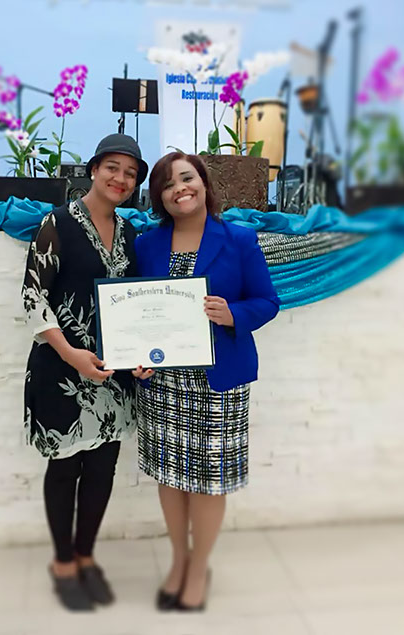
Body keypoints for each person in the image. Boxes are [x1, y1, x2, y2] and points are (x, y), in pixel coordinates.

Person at [135, 152, 280, 611]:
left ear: (203, 182)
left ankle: (199, 568)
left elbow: (267, 301)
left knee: (209, 480)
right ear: (159, 197)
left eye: (187, 178)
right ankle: (179, 560)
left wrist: (233, 313)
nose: (179, 188)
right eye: (167, 184)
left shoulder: (239, 239)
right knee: (171, 475)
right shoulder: (146, 244)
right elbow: (138, 311)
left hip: (219, 381)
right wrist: (135, 355)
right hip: (163, 383)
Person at [21, 134, 151, 611]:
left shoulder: (131, 234)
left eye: (130, 173)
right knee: (64, 468)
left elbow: (137, 303)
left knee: (101, 468)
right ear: (94, 169)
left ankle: (85, 557)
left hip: (114, 376)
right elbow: (33, 298)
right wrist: (72, 354)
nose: (121, 178)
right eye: (112, 167)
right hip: (62, 370)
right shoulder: (56, 223)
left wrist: (145, 354)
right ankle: (63, 564)